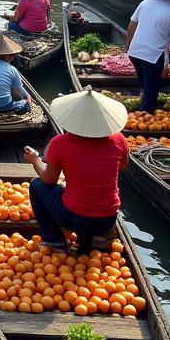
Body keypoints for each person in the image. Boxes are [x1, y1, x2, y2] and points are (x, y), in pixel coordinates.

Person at [25, 87, 129, 252]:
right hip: (108, 218)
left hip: (74, 218)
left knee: (37, 185)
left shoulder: (60, 143)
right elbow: (121, 165)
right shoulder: (118, 138)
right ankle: (96, 239)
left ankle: (54, 241)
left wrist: (35, 160)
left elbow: (49, 179)